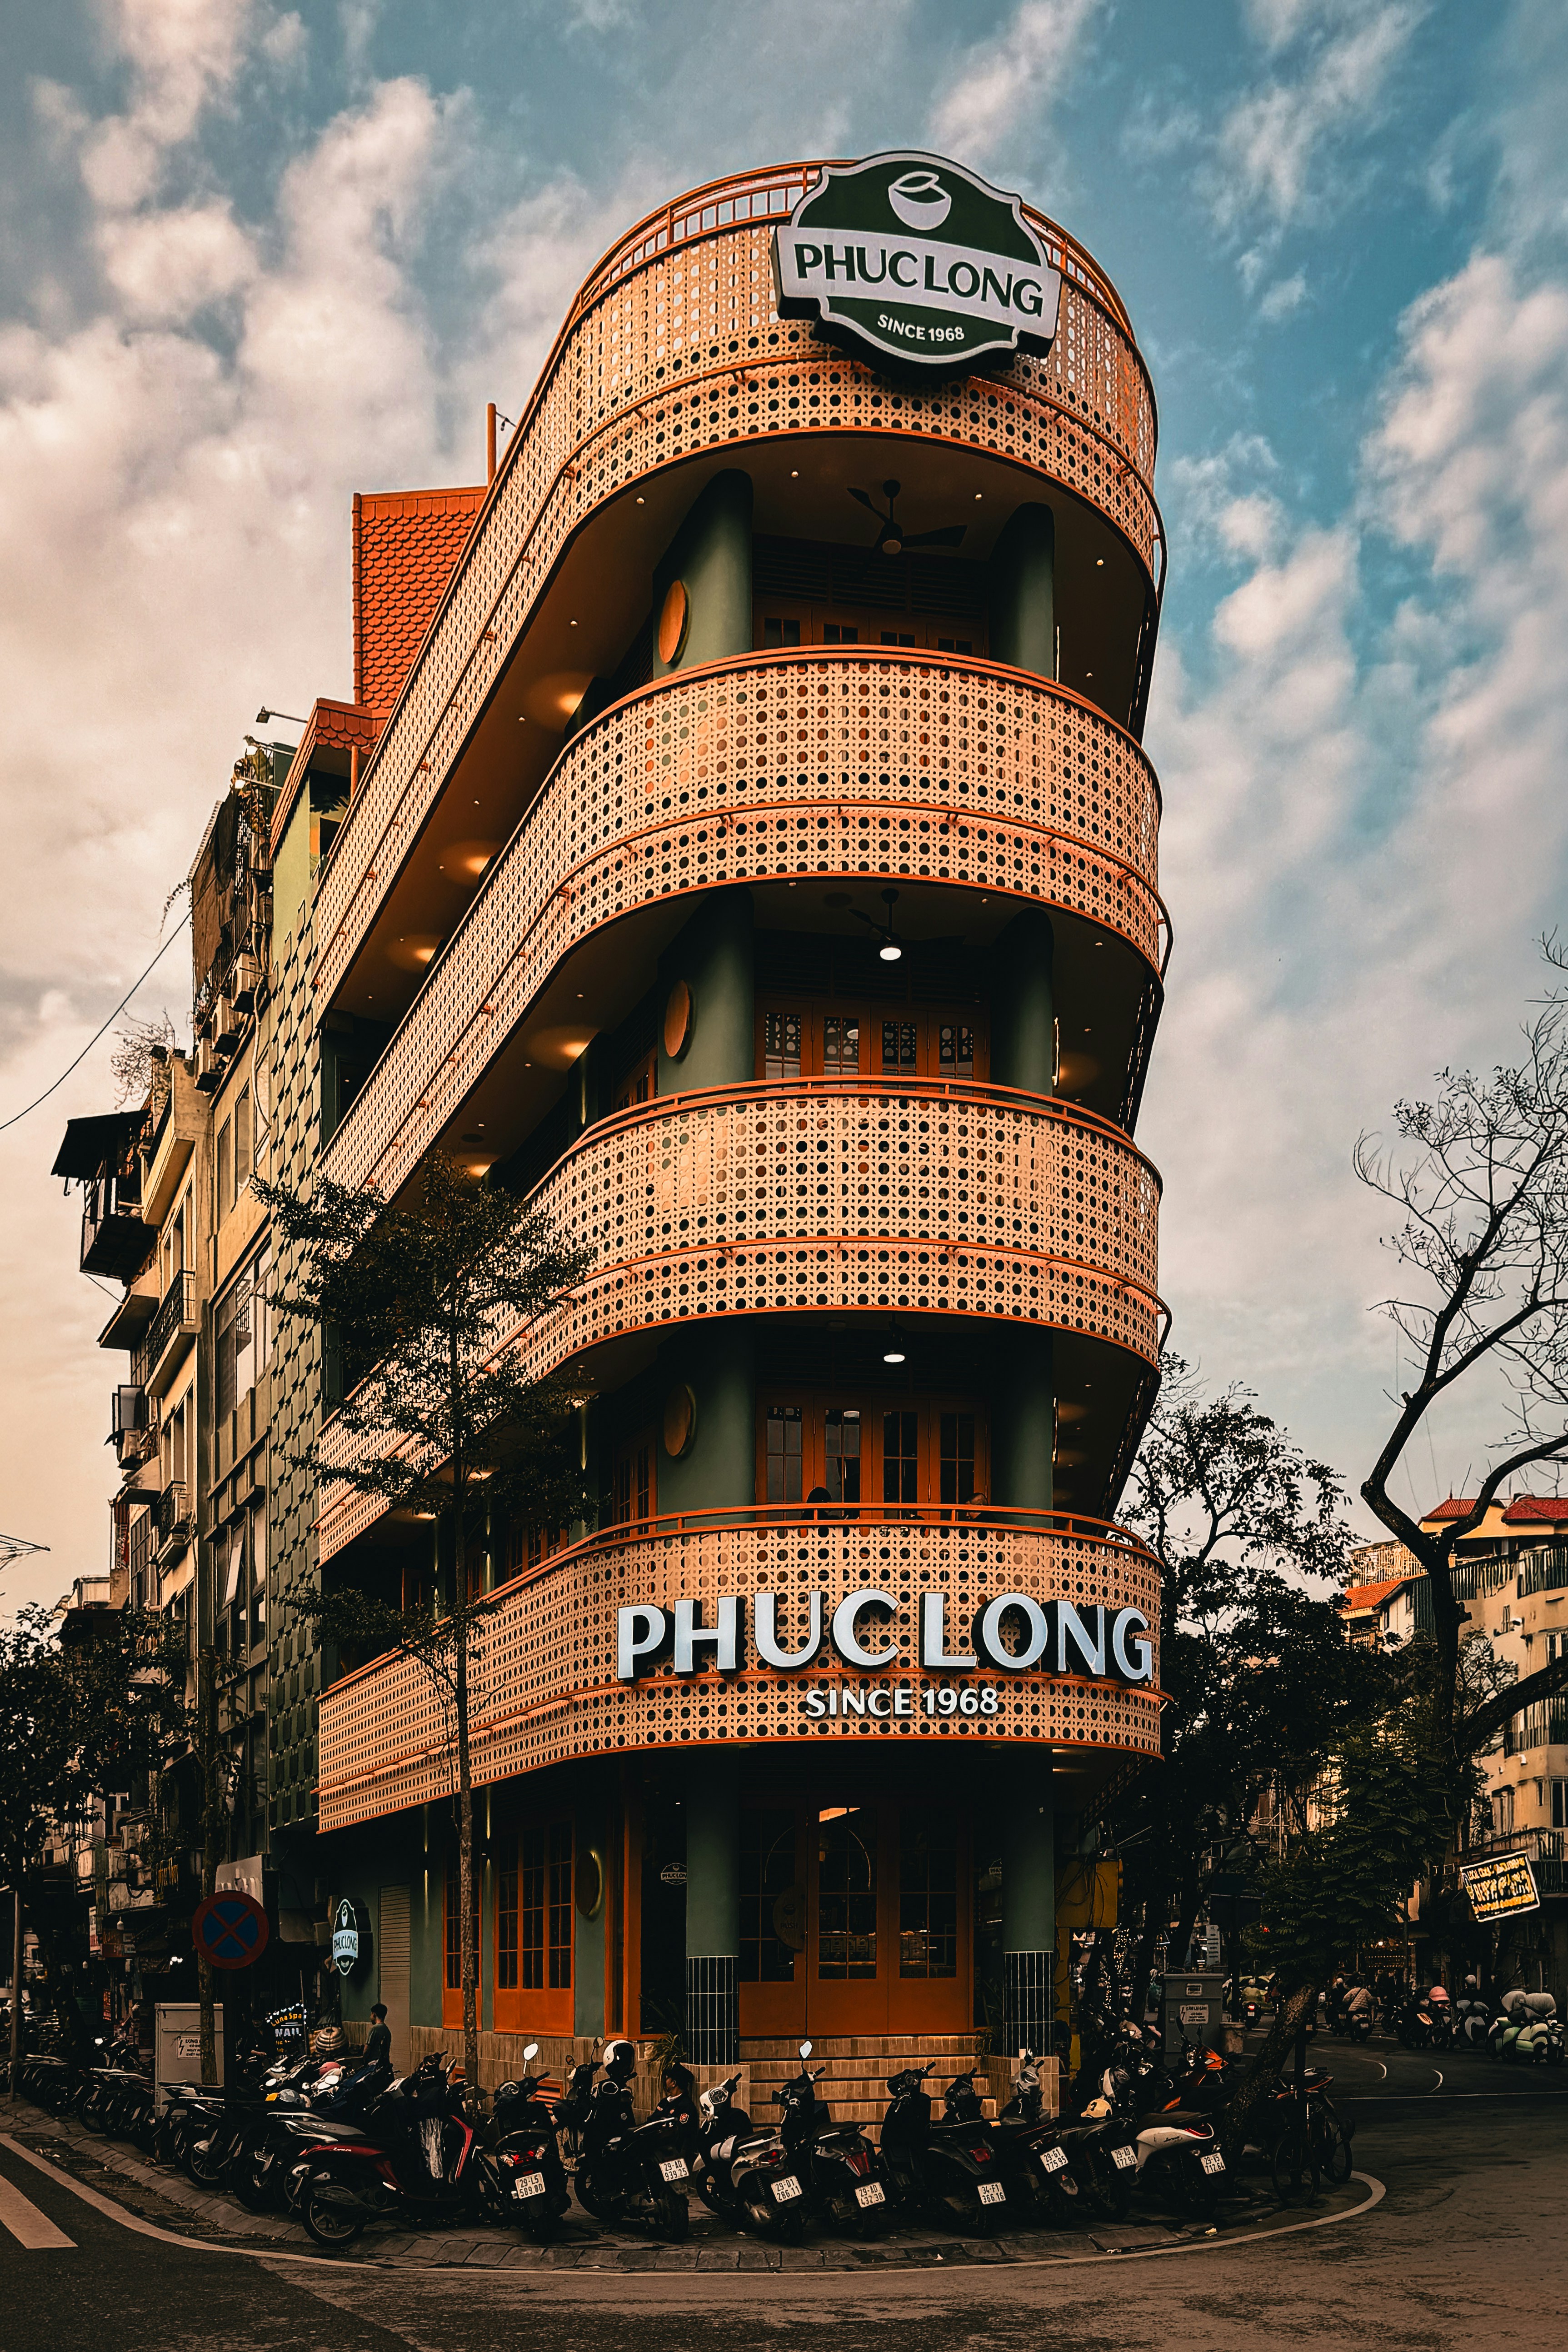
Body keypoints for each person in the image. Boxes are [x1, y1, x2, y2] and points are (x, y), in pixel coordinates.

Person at [364, 2002, 392, 2066]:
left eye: (371, 2014)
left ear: (374, 2014)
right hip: (385, 2063)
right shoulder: (387, 2030)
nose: (370, 2017)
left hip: (374, 2064)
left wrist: (364, 2061)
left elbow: (367, 2049)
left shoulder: (375, 2029)